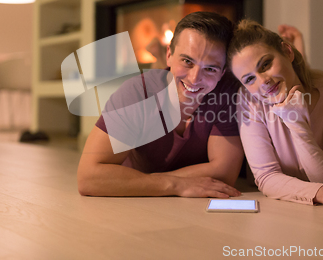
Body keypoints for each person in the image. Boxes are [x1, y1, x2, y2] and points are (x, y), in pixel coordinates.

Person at [77, 12, 245, 198]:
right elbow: (88, 177)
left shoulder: (228, 94)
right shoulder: (137, 93)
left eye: (210, 68)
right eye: (187, 61)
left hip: (184, 203)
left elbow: (224, 173)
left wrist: (142, 181)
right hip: (133, 206)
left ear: (223, 72)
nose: (195, 78)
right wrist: (174, 185)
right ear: (169, 55)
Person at [228, 19, 323, 211]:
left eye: (266, 64)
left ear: (287, 51)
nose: (263, 81)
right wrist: (319, 192)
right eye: (250, 79)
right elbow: (266, 177)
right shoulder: (249, 98)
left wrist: (295, 121)